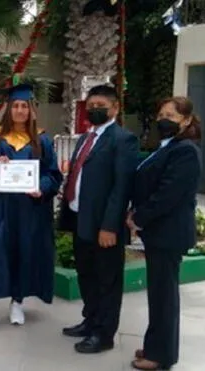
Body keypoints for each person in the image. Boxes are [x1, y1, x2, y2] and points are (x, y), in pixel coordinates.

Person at [0, 84, 63, 332]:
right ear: (9, 109)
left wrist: (41, 188)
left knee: (24, 252)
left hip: (29, 210)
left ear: (31, 110)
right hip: (1, 208)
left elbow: (53, 174)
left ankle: (17, 302)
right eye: (16, 106)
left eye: (25, 106)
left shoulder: (42, 140)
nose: (20, 111)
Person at [58, 85, 139, 353]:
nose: (95, 109)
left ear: (115, 108)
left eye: (101, 105)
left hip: (104, 225)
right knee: (87, 275)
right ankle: (90, 320)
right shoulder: (85, 138)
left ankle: (103, 334)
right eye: (91, 105)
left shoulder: (123, 139)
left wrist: (109, 226)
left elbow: (121, 187)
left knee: (107, 280)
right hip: (81, 219)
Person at [126, 97, 202, 370]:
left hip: (168, 234)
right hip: (159, 233)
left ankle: (161, 356)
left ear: (186, 121)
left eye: (170, 114)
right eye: (161, 113)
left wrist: (138, 217)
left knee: (164, 297)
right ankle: (155, 346)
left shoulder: (185, 151)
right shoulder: (167, 147)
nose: (163, 119)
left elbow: (167, 194)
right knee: (158, 295)